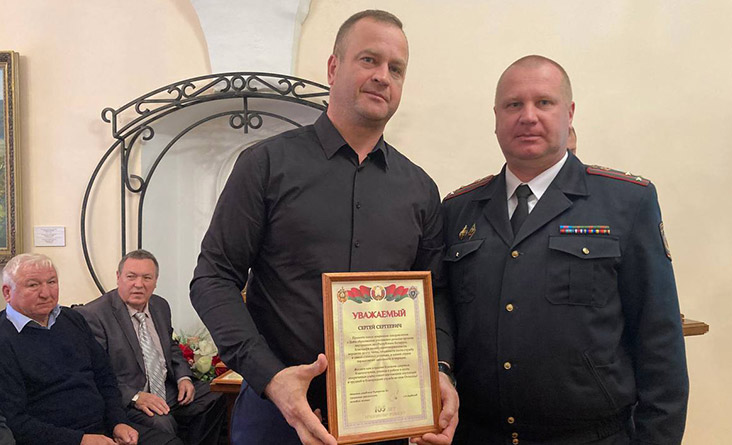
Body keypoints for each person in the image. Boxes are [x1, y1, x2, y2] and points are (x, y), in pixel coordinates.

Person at [190, 9, 457, 445]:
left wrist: (440, 371)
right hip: (276, 414)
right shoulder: (265, 165)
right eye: (369, 60)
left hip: (386, 419)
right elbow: (212, 278)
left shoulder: (420, 189)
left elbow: (435, 295)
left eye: (396, 69)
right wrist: (270, 376)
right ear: (333, 68)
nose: (383, 76)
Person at [435, 55, 689, 444]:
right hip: (478, 434)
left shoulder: (626, 202)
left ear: (569, 113)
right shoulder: (459, 210)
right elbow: (444, 315)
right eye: (513, 104)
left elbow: (660, 339)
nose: (528, 116)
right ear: (496, 118)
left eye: (544, 102)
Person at [0, 253, 181, 445]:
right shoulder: (4, 338)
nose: (46, 293)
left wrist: (118, 422)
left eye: (51, 282)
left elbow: (105, 378)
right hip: (58, 438)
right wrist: (80, 440)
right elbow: (15, 421)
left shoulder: (72, 319)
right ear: (7, 292)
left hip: (103, 428)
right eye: (33, 285)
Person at [77, 250, 225, 445]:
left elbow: (171, 347)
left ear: (155, 281)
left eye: (147, 278)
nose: (139, 284)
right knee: (161, 423)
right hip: (128, 397)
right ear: (118, 277)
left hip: (166, 389)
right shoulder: (94, 315)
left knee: (217, 394)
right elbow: (98, 373)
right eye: (131, 277)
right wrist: (135, 397)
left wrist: (183, 377)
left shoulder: (160, 305)